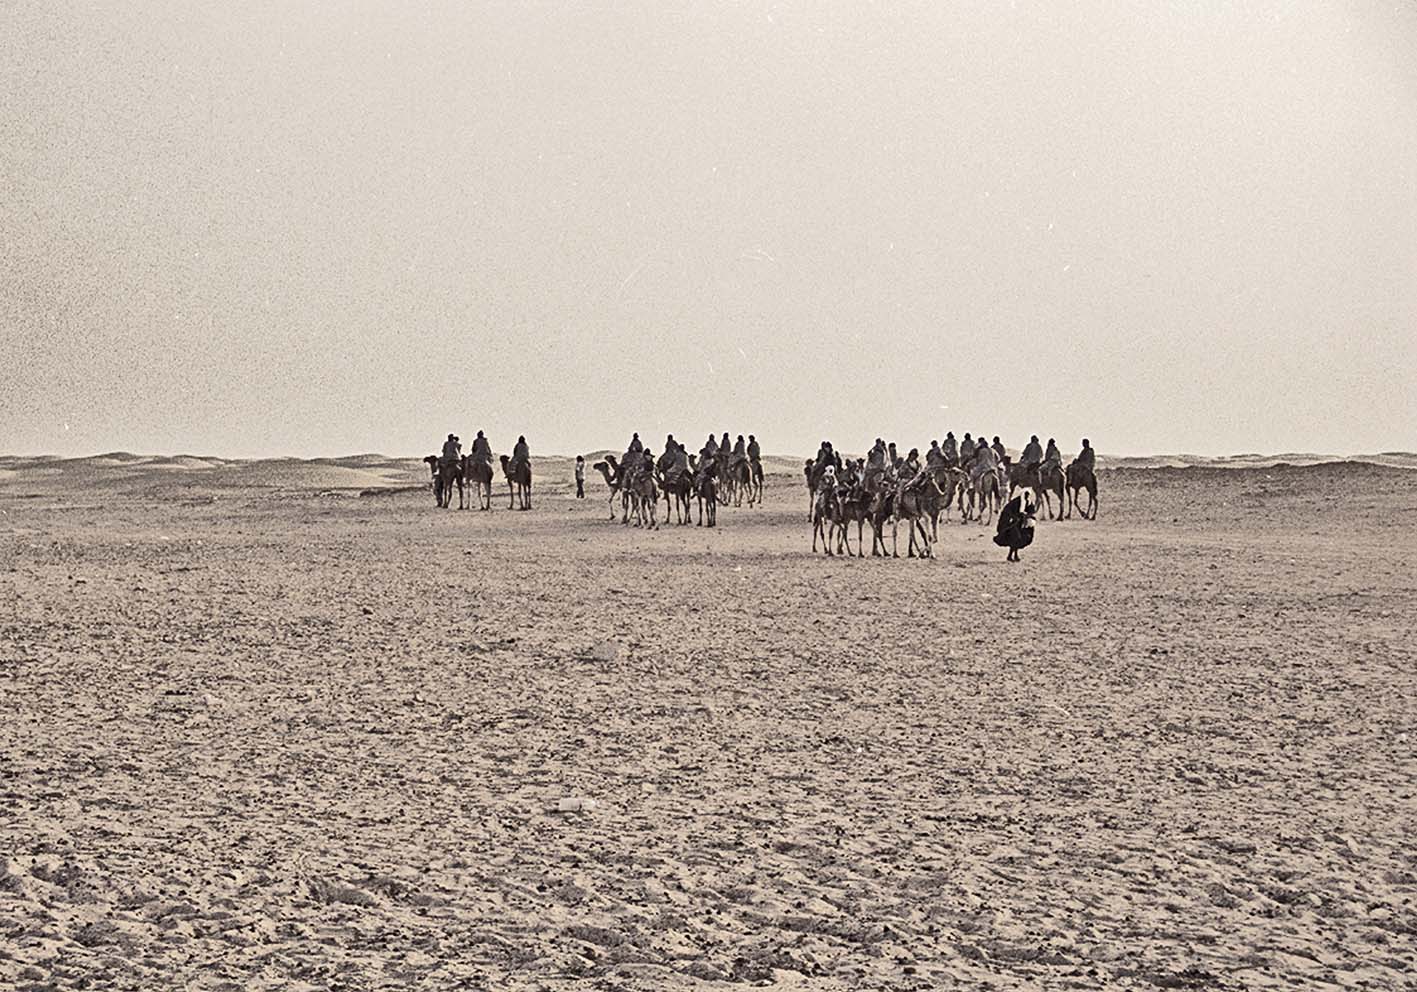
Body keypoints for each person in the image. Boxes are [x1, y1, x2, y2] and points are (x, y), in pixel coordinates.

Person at [994, 494, 1036, 562]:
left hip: (1020, 524)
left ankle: (1013, 555)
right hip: (1011, 524)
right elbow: (1008, 512)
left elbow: (1031, 511)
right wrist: (1014, 518)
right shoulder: (1015, 503)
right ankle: (1011, 556)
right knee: (1016, 538)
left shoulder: (1028, 502)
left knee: (1019, 539)